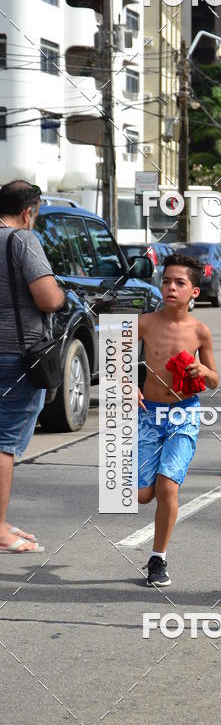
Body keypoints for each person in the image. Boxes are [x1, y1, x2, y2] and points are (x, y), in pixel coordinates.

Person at [137, 254, 219, 586]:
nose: (171, 287)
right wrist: (126, 385)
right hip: (147, 416)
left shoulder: (200, 331)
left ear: (194, 292)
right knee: (143, 495)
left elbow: (215, 379)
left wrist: (204, 371)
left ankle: (158, 559)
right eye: (167, 281)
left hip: (184, 414)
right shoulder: (143, 323)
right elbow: (113, 355)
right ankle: (156, 484)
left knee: (167, 486)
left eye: (180, 283)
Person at [0, 180, 65, 554]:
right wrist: (59, 293)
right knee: (5, 442)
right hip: (16, 356)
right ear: (29, 212)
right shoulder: (22, 240)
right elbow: (46, 297)